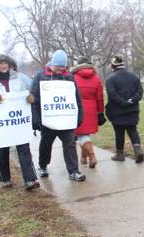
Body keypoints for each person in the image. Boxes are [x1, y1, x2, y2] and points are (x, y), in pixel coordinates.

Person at [0, 54, 39, 190]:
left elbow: (30, 91)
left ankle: (30, 180)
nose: (3, 65)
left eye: (5, 63)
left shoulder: (20, 77)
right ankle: (5, 179)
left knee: (24, 148)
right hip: (1, 124)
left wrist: (31, 98)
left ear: (10, 64)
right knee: (1, 150)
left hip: (18, 122)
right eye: (0, 63)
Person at [31, 50, 86, 182]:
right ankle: (43, 166)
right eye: (59, 66)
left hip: (66, 120)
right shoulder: (40, 76)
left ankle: (73, 171)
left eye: (63, 66)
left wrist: (79, 115)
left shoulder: (69, 77)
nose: (61, 69)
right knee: (45, 144)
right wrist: (36, 118)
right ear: (52, 64)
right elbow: (34, 99)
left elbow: (76, 98)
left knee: (70, 144)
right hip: (48, 120)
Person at [105, 55, 144, 163]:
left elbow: (112, 95)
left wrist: (123, 103)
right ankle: (138, 150)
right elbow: (140, 92)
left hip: (117, 111)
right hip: (133, 109)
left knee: (119, 133)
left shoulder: (110, 79)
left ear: (113, 66)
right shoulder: (134, 77)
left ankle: (120, 154)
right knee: (133, 130)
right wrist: (131, 101)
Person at [70, 56, 105, 168]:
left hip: (78, 109)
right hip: (92, 109)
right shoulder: (96, 78)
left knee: (82, 135)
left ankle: (92, 156)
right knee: (85, 134)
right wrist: (100, 112)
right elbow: (100, 98)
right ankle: (83, 158)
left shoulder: (72, 77)